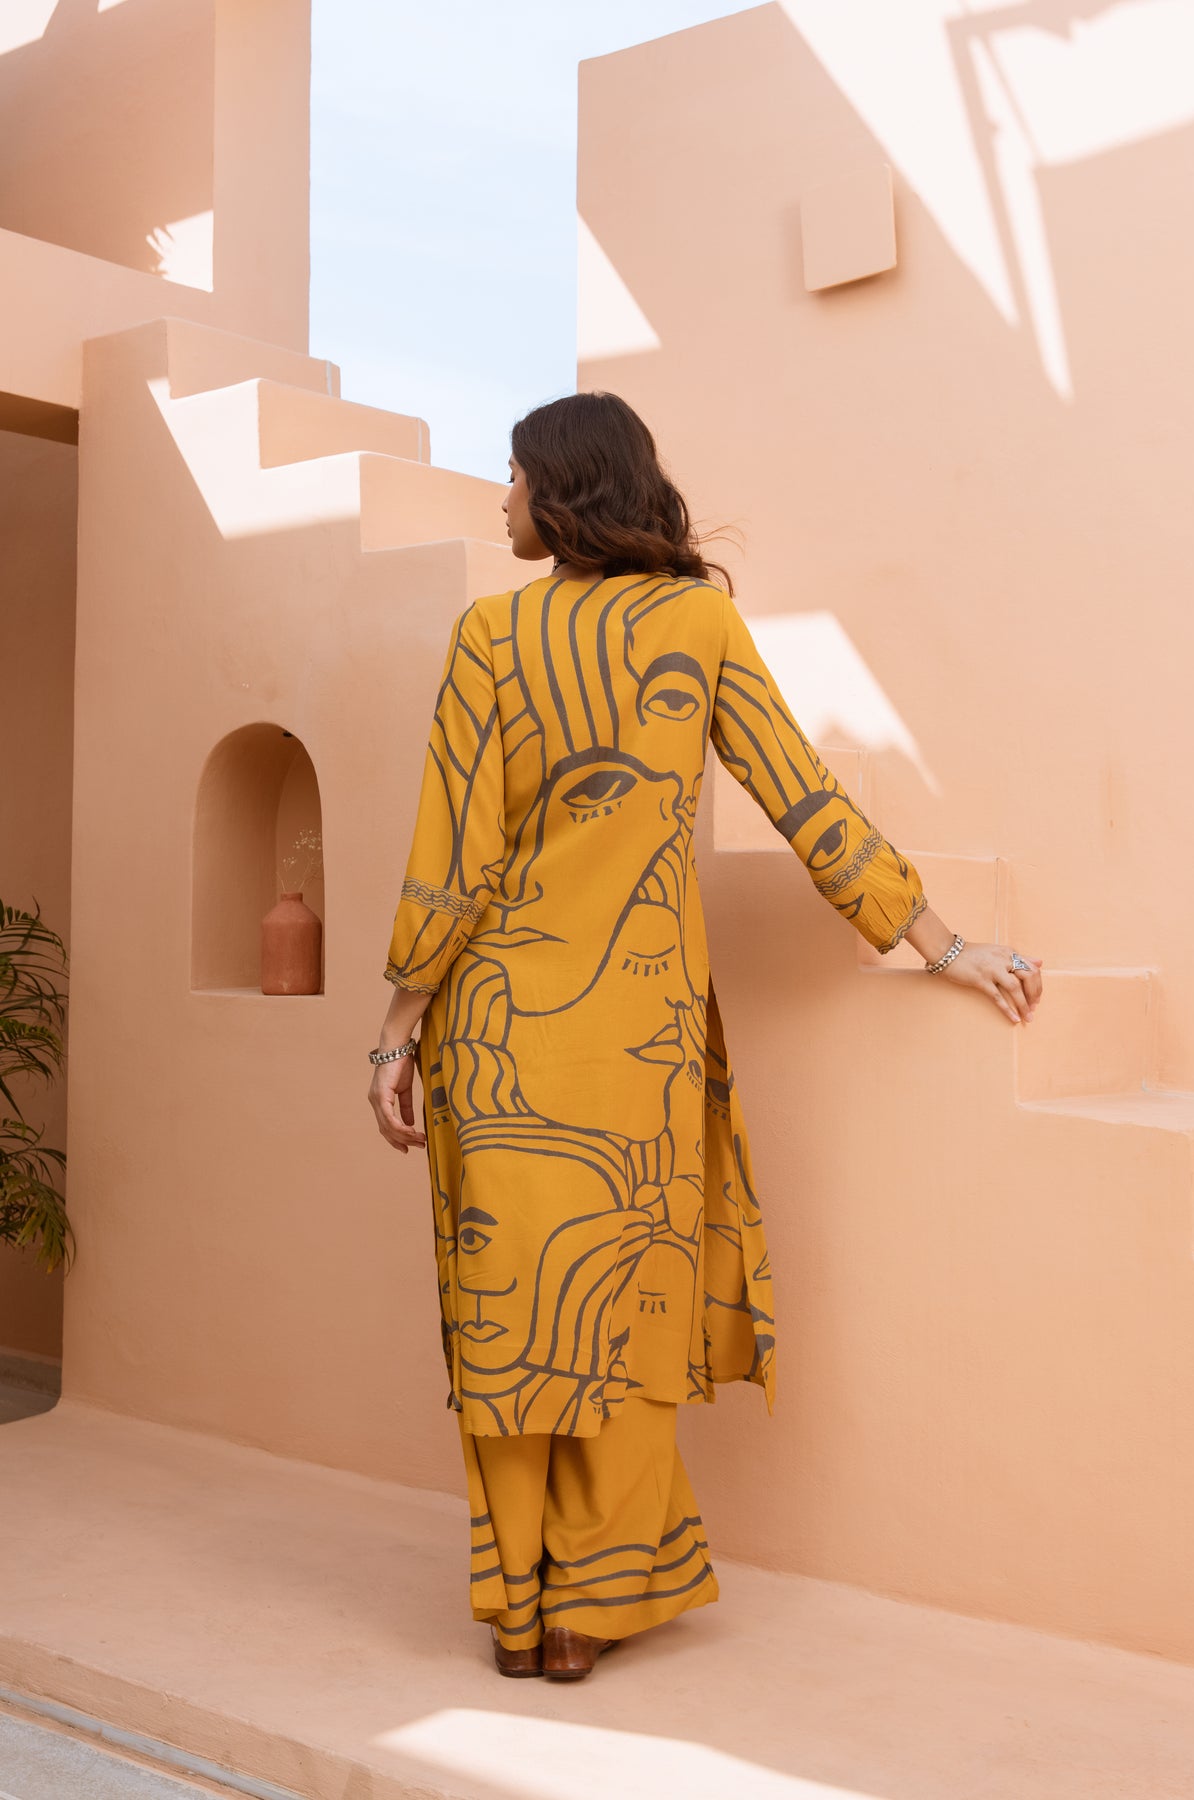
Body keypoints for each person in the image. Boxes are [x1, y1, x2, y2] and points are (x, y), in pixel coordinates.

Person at [367, 392, 1043, 1681]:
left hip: (495, 1036)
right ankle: (585, 1612)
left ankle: (517, 1607)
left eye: (514, 477)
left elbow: (451, 853)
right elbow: (802, 794)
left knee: (507, 1315)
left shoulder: (490, 637)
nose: (501, 501)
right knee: (622, 1310)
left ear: (563, 488)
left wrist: (398, 1030)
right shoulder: (698, 623)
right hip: (640, 1038)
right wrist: (941, 943)